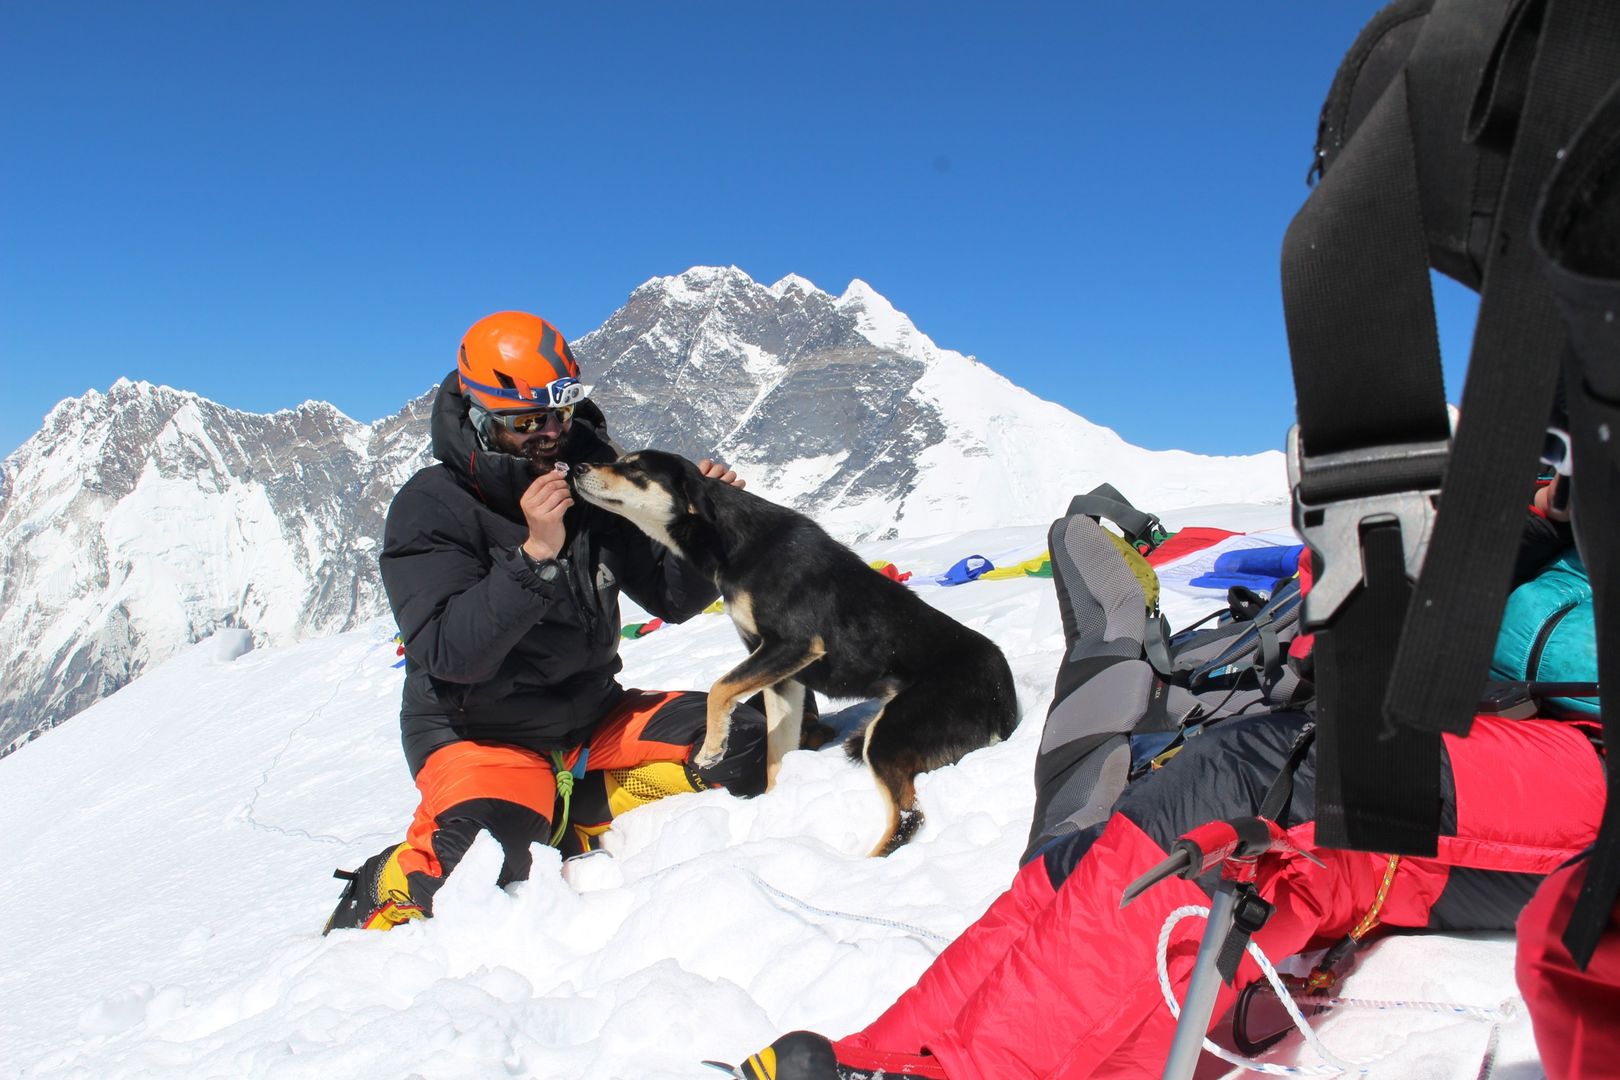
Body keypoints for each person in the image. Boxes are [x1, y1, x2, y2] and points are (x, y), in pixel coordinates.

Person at [723, 490, 1606, 1079]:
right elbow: (1333, 626)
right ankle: (888, 1058)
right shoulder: (1545, 472)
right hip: (1500, 740)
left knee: (1254, 783)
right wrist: (1488, 525)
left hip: (1592, 769)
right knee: (1116, 838)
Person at [324, 310, 766, 934]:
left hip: (590, 719)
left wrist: (700, 529)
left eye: (559, 414)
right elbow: (450, 653)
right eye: (527, 422)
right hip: (477, 735)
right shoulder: (432, 506)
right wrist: (535, 555)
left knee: (747, 737)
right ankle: (397, 880)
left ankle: (578, 807)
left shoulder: (595, 475)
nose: (551, 434)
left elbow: (672, 600)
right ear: (481, 418)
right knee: (479, 870)